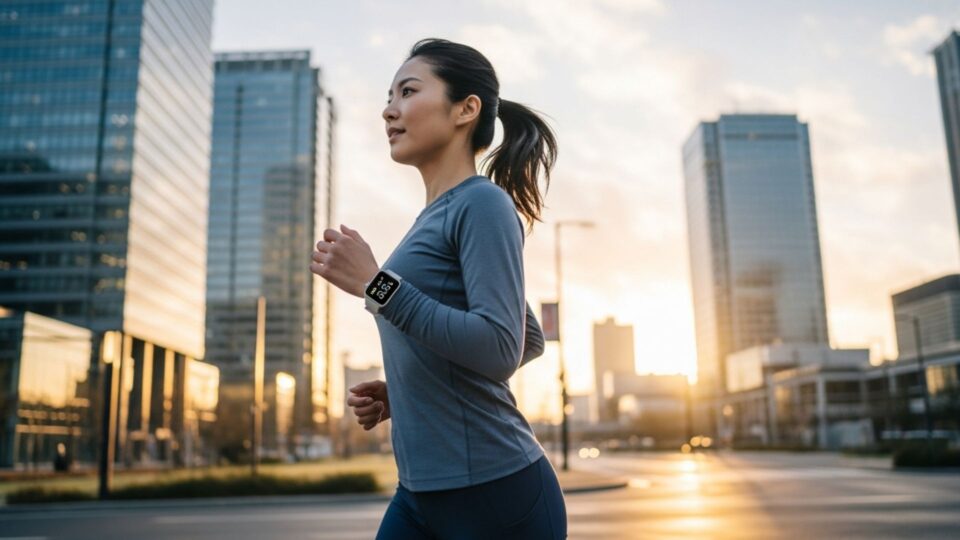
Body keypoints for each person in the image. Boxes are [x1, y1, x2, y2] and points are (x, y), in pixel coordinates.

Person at [310, 37, 566, 539]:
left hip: (495, 495)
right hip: (421, 494)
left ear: (465, 109)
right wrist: (415, 386)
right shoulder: (434, 217)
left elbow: (499, 348)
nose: (389, 110)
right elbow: (526, 339)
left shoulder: (483, 204)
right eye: (389, 97)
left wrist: (373, 283)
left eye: (407, 92)